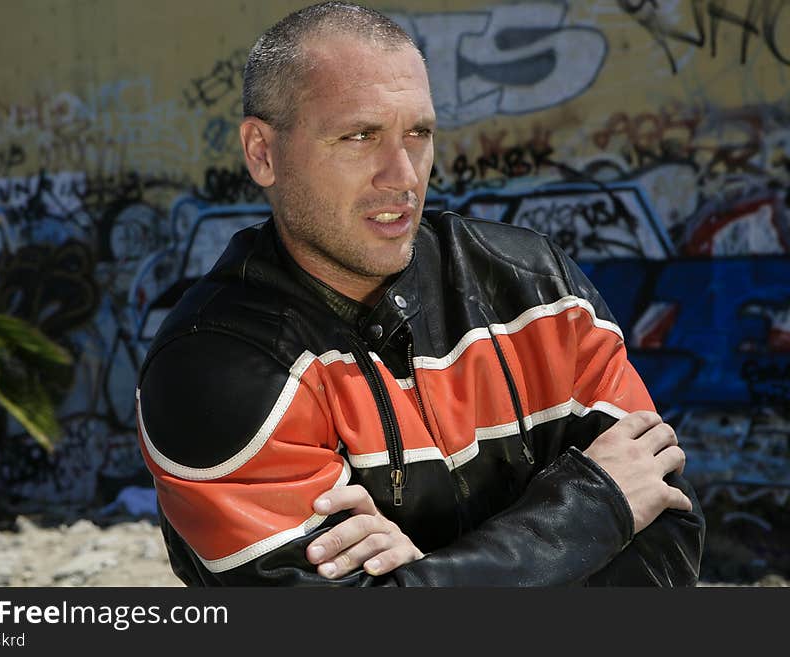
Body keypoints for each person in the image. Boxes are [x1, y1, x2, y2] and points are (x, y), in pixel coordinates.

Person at [135, 1, 705, 586]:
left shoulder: (536, 290)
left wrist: (426, 577)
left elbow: (668, 541)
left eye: (419, 133)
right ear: (262, 152)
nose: (403, 175)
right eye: (360, 136)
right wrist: (595, 507)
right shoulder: (211, 367)